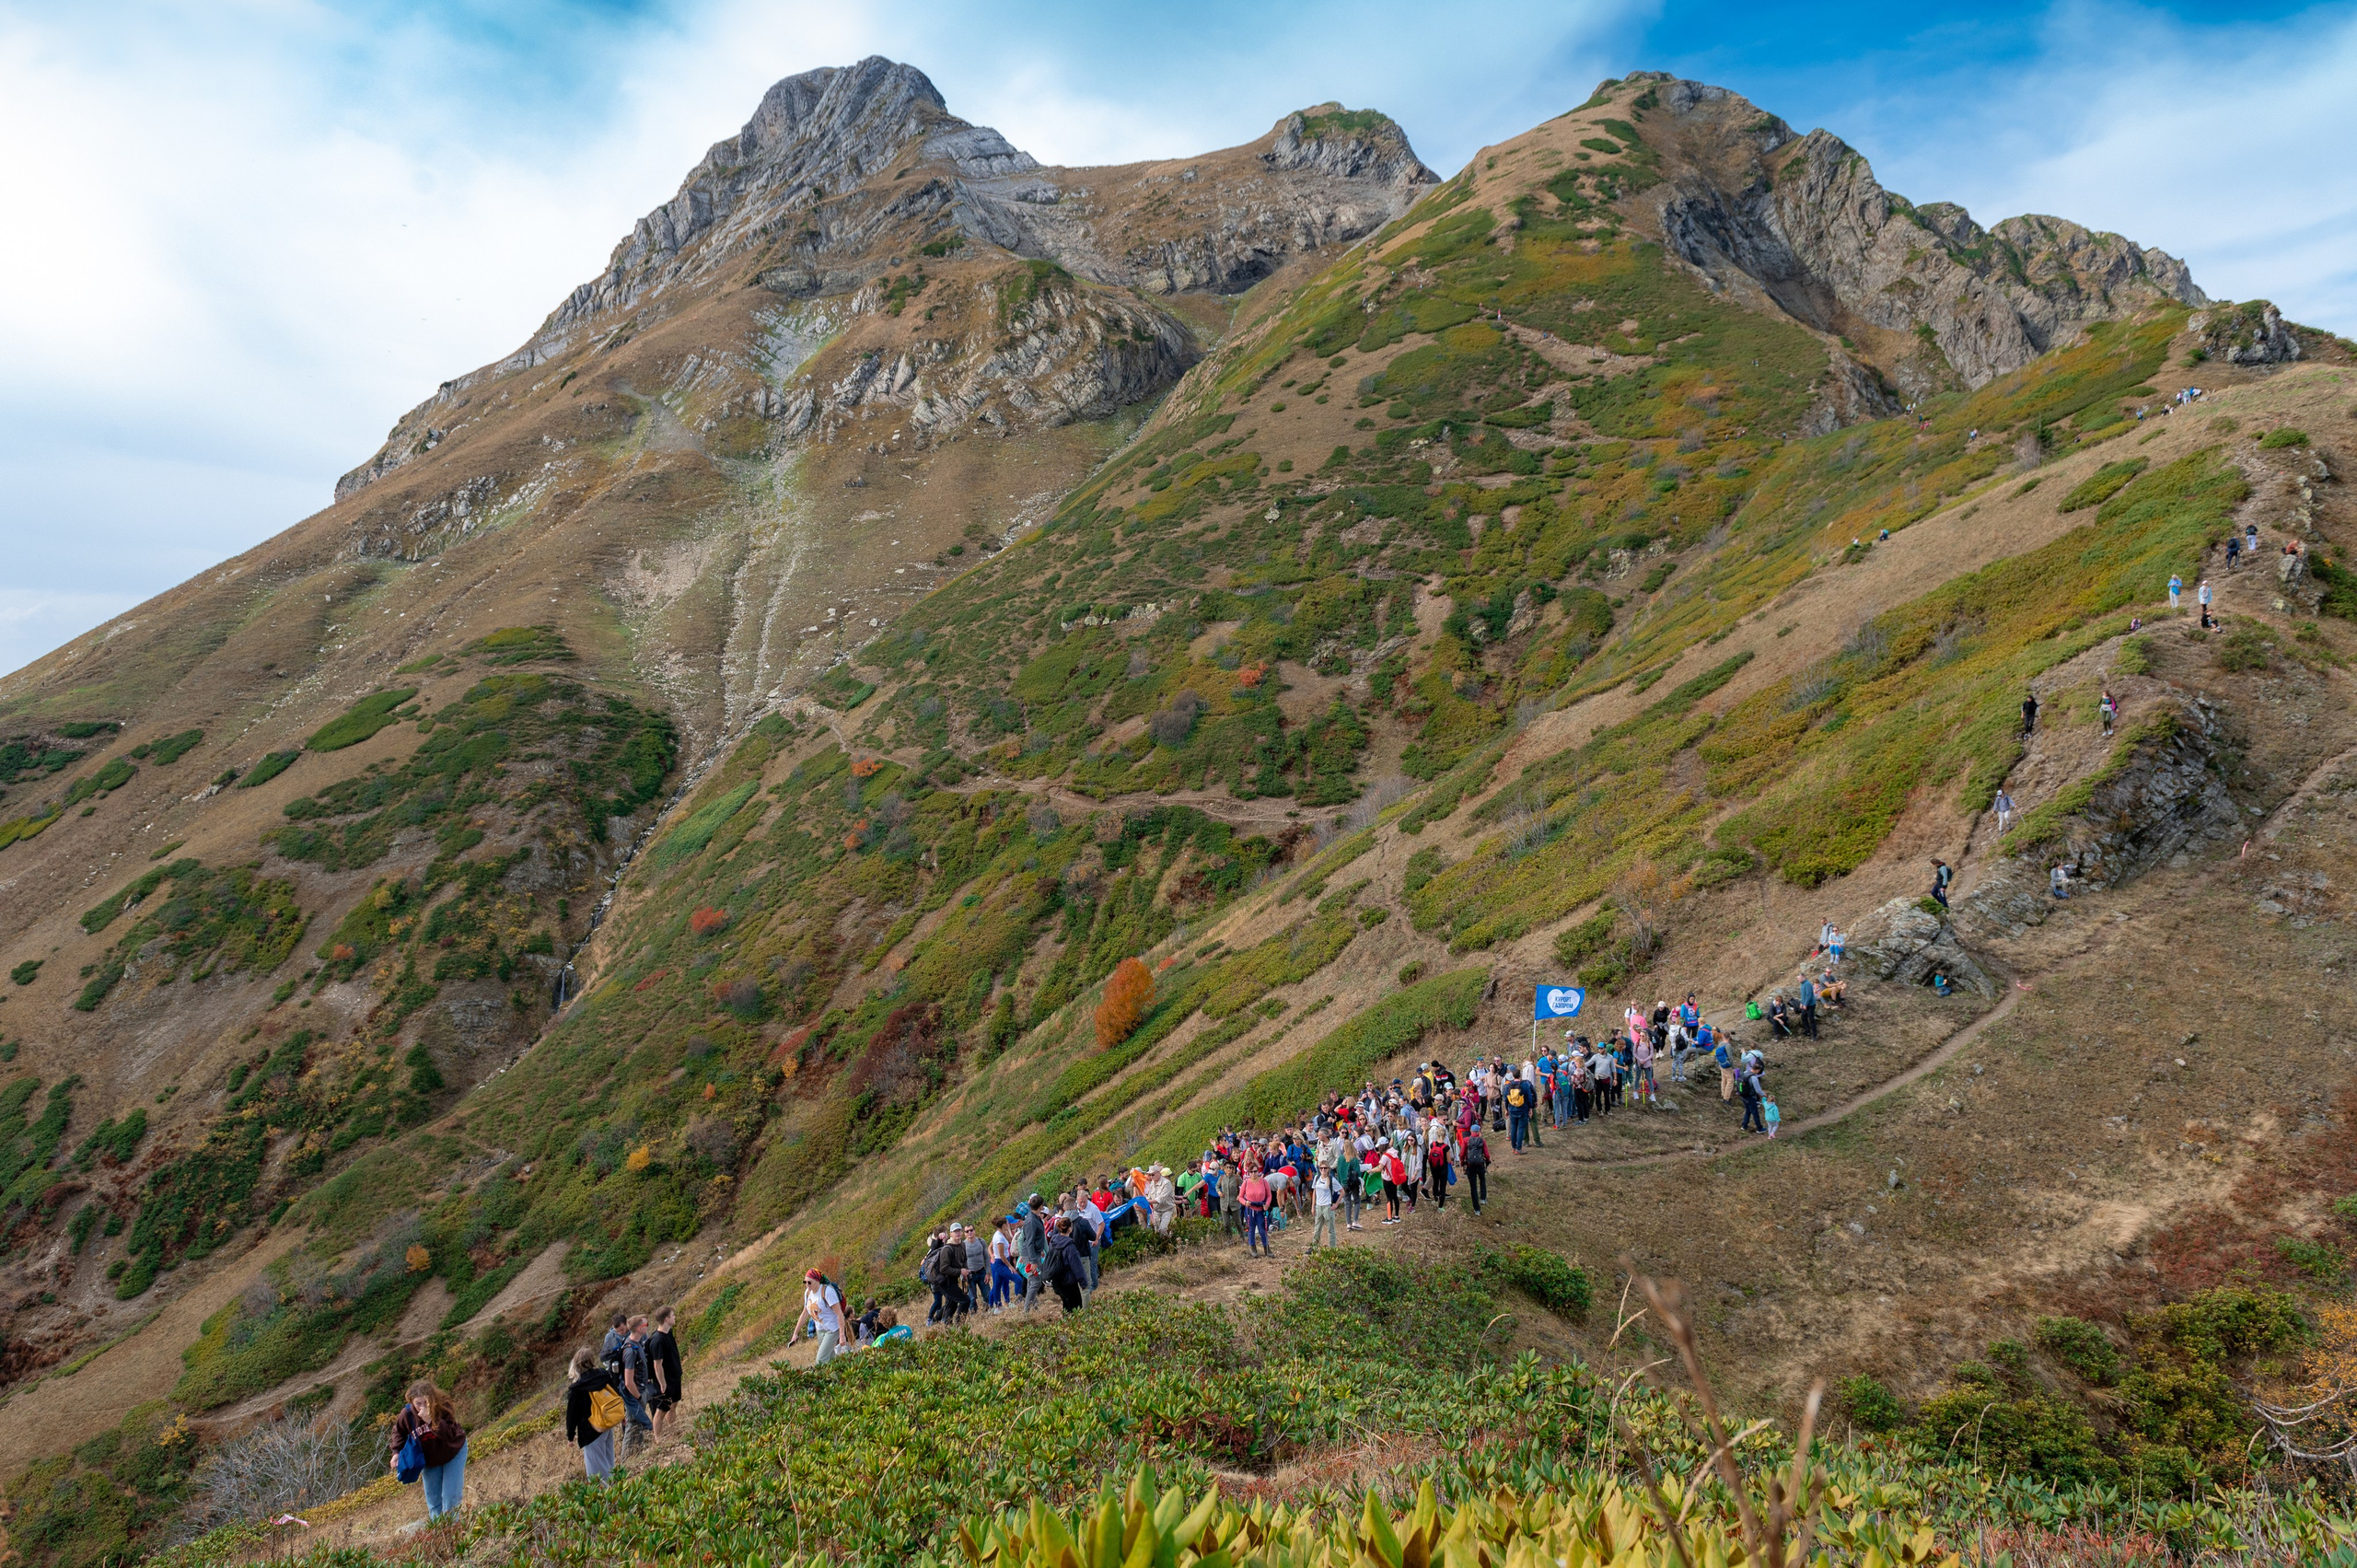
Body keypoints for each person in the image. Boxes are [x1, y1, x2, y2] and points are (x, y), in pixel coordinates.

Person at [390, 1379, 467, 1521]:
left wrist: (430, 1420)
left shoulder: (443, 1406)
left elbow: (449, 1435)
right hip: (430, 1459)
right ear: (411, 1402)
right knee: (434, 1501)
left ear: (432, 1398)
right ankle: (440, 1533)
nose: (422, 1407)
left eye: (426, 1402)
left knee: (450, 1496)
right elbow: (398, 1432)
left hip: (453, 1451)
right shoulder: (407, 1414)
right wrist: (396, 1453)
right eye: (418, 1403)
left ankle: (453, 1530)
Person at [564, 1347, 623, 1482]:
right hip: (607, 1424)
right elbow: (614, 1393)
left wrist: (570, 1436)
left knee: (596, 1474)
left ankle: (607, 1501)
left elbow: (572, 1414)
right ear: (592, 1360)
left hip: (591, 1431)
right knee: (609, 1465)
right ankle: (617, 1493)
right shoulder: (603, 1375)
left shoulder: (577, 1388)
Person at [617, 1318, 655, 1451]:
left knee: (637, 1425)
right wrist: (638, 1397)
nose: (647, 1327)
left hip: (640, 1390)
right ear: (640, 1329)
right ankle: (627, 1458)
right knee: (632, 1425)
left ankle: (637, 1452)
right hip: (635, 1393)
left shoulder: (636, 1344)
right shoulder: (630, 1351)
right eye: (646, 1324)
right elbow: (628, 1381)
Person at [795, 1269, 846, 1365]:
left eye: (809, 1282)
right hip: (820, 1329)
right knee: (831, 1360)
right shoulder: (808, 1292)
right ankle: (837, 1378)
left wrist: (842, 1335)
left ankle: (824, 1378)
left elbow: (839, 1314)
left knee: (820, 1360)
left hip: (832, 1329)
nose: (807, 1284)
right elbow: (805, 1313)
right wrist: (795, 1333)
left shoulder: (827, 1292)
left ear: (817, 1281)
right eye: (805, 1282)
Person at [645, 1307, 682, 1439]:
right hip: (665, 1381)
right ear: (666, 1319)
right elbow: (657, 1365)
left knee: (674, 1404)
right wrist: (662, 1383)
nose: (675, 1317)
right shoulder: (657, 1340)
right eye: (673, 1315)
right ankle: (658, 1439)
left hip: (675, 1377)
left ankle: (673, 1430)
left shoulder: (669, 1333)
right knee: (661, 1410)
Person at [1042, 1216, 1085, 1313]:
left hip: (1058, 1280)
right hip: (1069, 1281)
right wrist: (1083, 1282)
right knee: (1076, 1307)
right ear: (1070, 1228)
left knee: (1066, 1305)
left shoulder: (1053, 1242)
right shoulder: (1070, 1246)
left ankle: (1065, 1325)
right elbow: (1077, 1267)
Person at [1239, 1164, 1272, 1256]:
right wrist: (1245, 1203)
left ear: (1258, 1171)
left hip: (1261, 1208)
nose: (1253, 1173)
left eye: (1255, 1171)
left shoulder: (1264, 1182)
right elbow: (1240, 1197)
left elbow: (1269, 1195)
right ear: (1249, 1173)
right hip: (1250, 1209)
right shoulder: (1245, 1183)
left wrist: (1267, 1204)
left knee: (1262, 1230)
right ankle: (1253, 1248)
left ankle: (1267, 1249)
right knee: (1251, 1229)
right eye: (1251, 1172)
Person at [1460, 1125, 1491, 1214]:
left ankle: (1476, 1209)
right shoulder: (1482, 1140)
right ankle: (1483, 1198)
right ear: (1478, 1132)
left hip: (1470, 1165)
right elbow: (1487, 1154)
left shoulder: (1466, 1140)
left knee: (1473, 1186)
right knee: (1482, 1180)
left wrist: (1462, 1163)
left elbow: (1462, 1153)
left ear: (1471, 1131)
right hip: (1480, 1164)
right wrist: (1488, 1161)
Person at [1504, 1072, 1532, 1150]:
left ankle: (1513, 1147)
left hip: (1512, 1109)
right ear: (1520, 1075)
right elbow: (1529, 1097)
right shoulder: (1525, 1085)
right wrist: (1530, 1108)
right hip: (1523, 1109)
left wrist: (1506, 1109)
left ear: (1513, 1076)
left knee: (1513, 1128)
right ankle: (1518, 1148)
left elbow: (1506, 1098)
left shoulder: (1508, 1085)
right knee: (1521, 1129)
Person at [1796, 971, 1818, 1040]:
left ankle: (1814, 1035)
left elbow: (1809, 995)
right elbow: (1803, 995)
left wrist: (1805, 1004)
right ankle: (1807, 1031)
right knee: (1803, 1017)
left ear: (1803, 977)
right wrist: (1801, 1003)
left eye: (1799, 978)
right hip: (1805, 1004)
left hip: (1810, 1005)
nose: (1798, 980)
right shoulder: (1802, 984)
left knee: (1811, 1019)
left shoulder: (1807, 984)